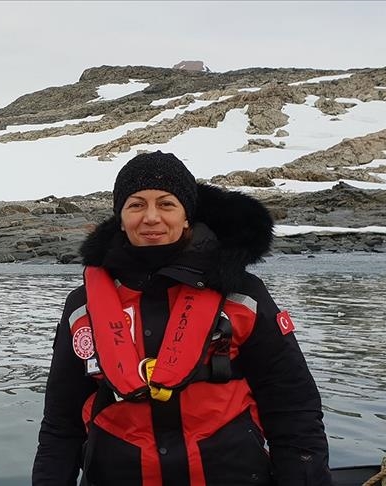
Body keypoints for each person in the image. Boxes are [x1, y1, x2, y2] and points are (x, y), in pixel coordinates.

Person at [32, 151, 331, 486]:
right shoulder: (82, 306)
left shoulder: (243, 295)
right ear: (120, 218)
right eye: (136, 205)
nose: (151, 217)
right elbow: (61, 424)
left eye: (166, 204)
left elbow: (293, 409)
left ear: (187, 216)